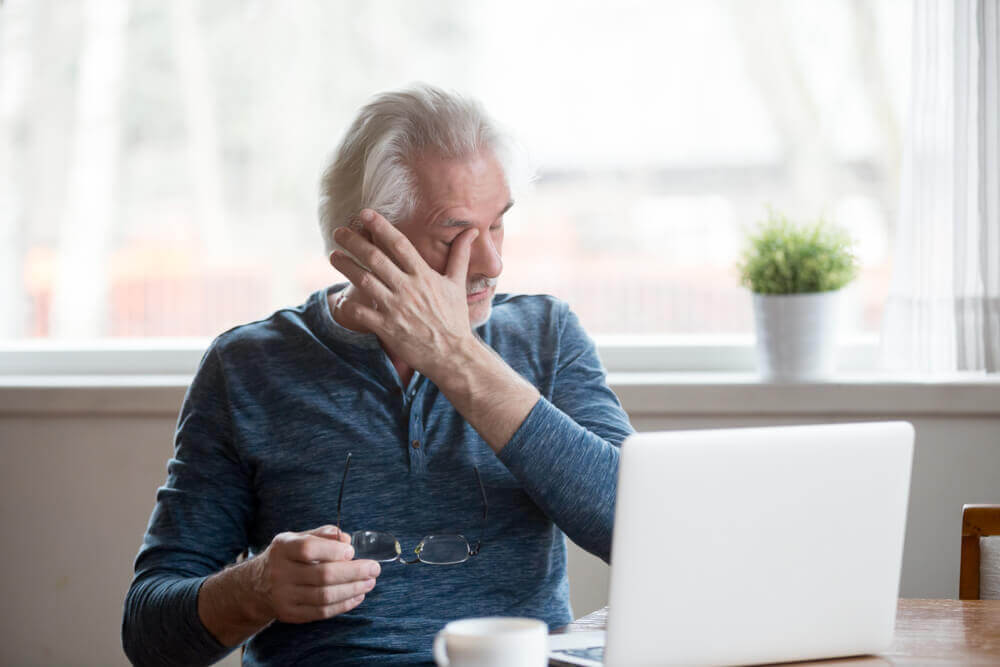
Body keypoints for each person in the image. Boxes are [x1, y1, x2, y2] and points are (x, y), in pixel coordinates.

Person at [122, 84, 633, 666]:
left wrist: (454, 356)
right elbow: (149, 633)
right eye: (455, 235)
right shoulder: (247, 366)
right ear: (369, 242)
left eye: (498, 226)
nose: (491, 262)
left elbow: (641, 531)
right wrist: (256, 587)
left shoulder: (547, 335)